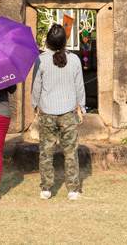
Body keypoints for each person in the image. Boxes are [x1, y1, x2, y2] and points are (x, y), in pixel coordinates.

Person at [31, 23, 86, 201]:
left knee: (46, 152)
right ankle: (73, 189)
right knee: (70, 151)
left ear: (47, 41)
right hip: (68, 112)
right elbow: (79, 87)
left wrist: (34, 106)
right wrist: (82, 107)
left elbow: (36, 87)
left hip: (47, 111)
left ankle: (46, 188)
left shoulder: (41, 60)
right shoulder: (75, 60)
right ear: (65, 41)